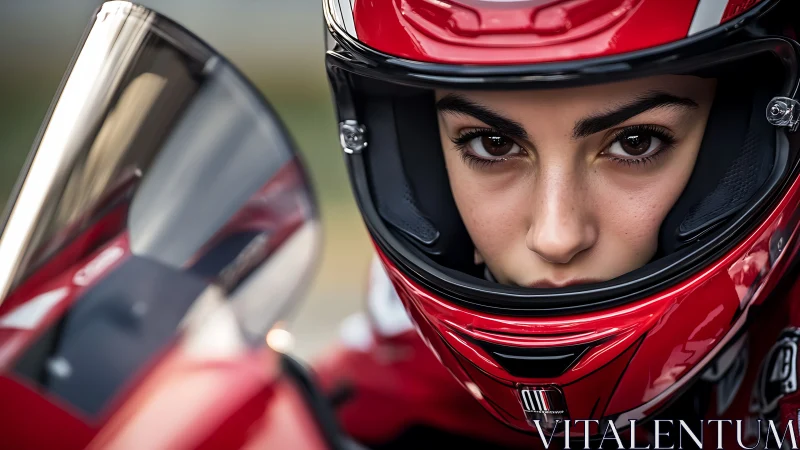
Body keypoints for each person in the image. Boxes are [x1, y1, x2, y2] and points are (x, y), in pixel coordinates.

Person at [313, 0, 800, 447]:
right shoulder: (405, 340)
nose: (556, 237)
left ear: (750, 137)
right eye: (491, 145)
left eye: (635, 143)